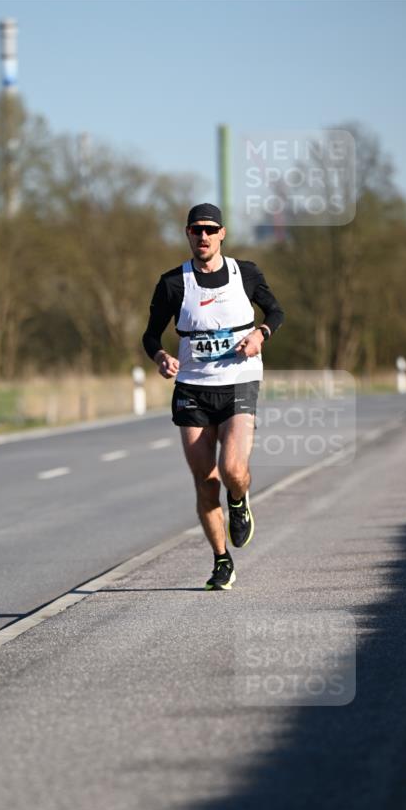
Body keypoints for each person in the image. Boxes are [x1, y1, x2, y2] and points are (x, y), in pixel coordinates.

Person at [142, 203, 284, 590]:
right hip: (192, 388)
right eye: (195, 230)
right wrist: (159, 356)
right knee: (205, 480)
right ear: (187, 234)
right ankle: (222, 560)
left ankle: (238, 501)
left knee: (233, 470)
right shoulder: (173, 283)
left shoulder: (246, 273)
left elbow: (275, 311)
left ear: (222, 233)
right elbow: (150, 334)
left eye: (209, 229)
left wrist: (260, 334)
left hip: (239, 381)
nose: (202, 236)